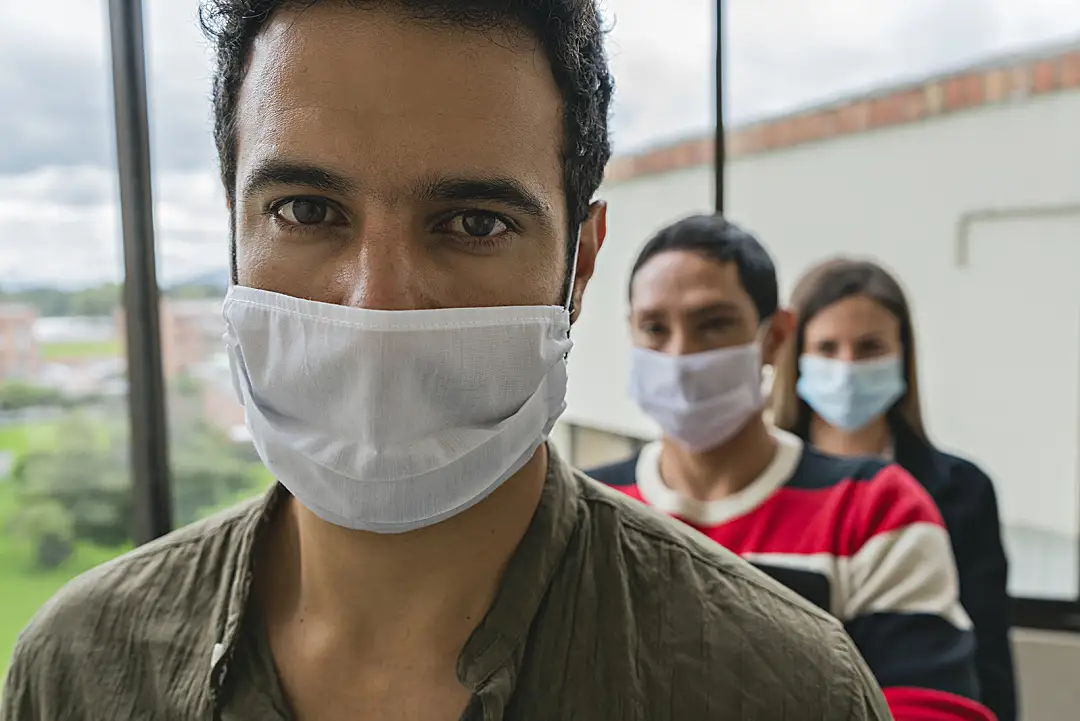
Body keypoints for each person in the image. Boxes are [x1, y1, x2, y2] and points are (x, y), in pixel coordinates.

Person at [0, 3, 892, 720]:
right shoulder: (76, 670)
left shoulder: (783, 689)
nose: (377, 304)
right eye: (307, 211)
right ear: (231, 226)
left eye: (474, 223)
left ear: (579, 264)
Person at [588, 215, 995, 721]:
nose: (680, 356)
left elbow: (932, 708)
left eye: (713, 324)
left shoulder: (877, 509)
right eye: (655, 328)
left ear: (776, 337)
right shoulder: (589, 510)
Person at [771, 257, 1016, 721]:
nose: (847, 368)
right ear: (794, 356)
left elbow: (989, 668)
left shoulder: (965, 491)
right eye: (827, 347)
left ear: (902, 353)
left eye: (868, 348)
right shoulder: (758, 482)